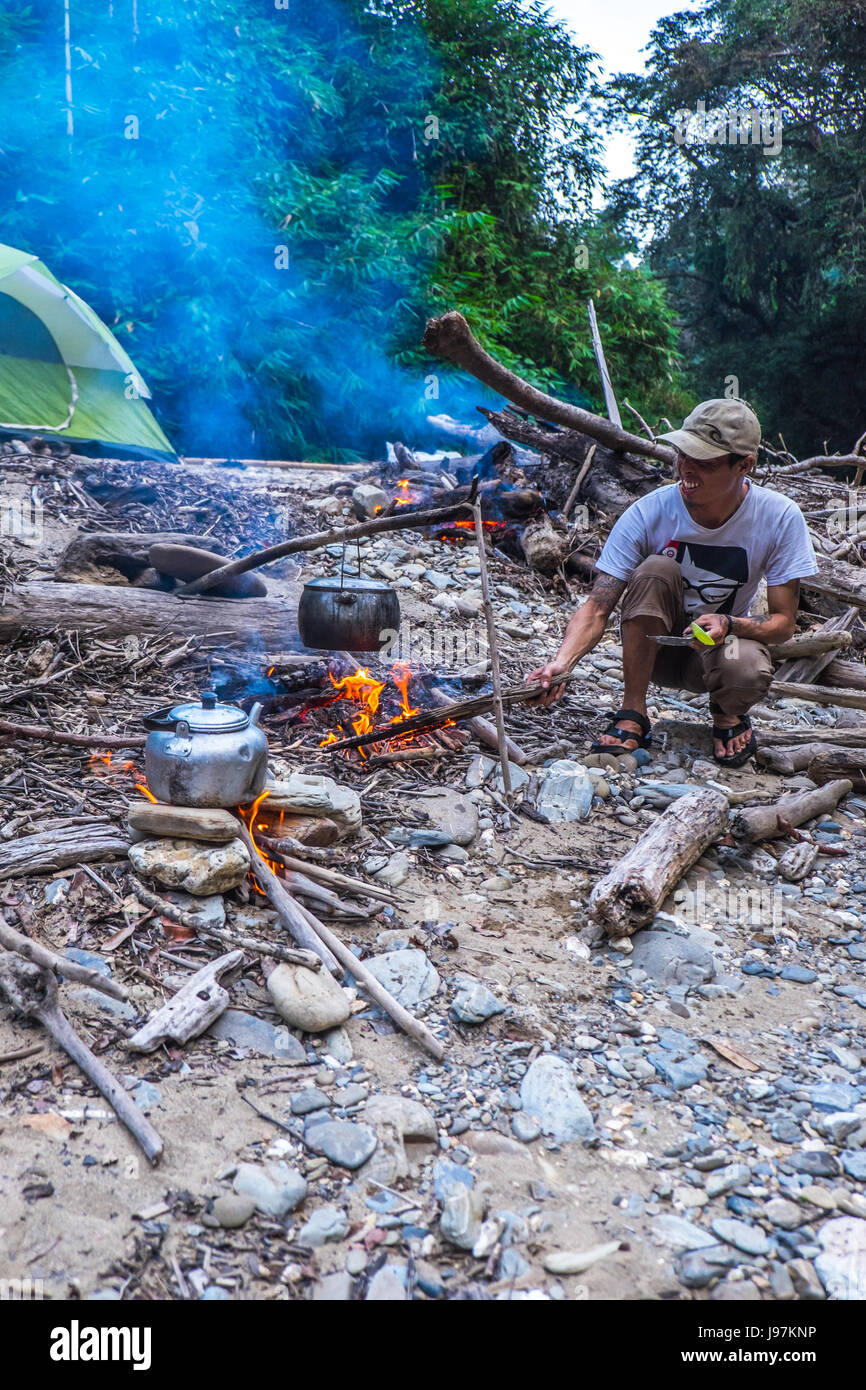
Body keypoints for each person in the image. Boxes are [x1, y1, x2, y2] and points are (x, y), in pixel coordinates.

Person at [527, 398, 819, 767]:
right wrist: (561, 663)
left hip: (715, 654)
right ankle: (633, 709)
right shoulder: (650, 511)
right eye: (683, 454)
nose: (686, 469)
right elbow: (598, 605)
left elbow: (783, 624)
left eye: (704, 461)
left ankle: (727, 714)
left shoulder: (779, 517)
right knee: (655, 569)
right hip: (652, 650)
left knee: (747, 666)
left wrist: (729, 623)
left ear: (745, 465)